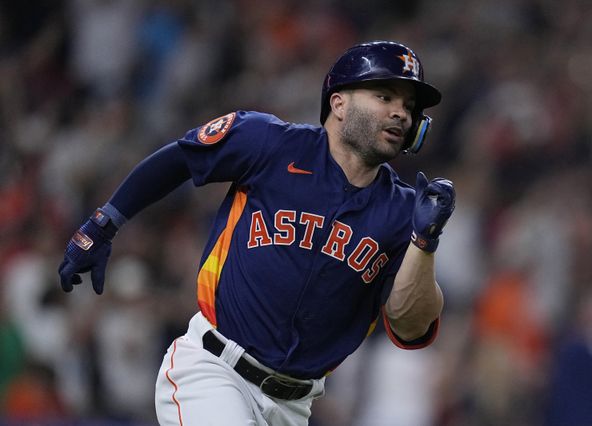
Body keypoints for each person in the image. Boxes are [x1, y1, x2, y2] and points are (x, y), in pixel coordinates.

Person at [58, 40, 456, 426]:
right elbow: (181, 159)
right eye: (385, 97)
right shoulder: (269, 143)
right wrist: (103, 224)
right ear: (339, 103)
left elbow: (410, 327)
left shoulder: (404, 212)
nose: (401, 113)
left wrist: (424, 243)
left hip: (294, 407)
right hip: (213, 371)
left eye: (409, 106)